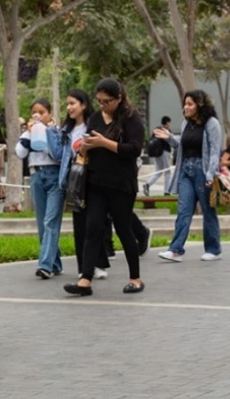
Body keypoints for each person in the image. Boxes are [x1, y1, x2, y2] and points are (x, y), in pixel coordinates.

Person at [64, 77, 145, 296]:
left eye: (107, 101)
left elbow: (134, 149)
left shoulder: (131, 118)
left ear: (119, 98)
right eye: (99, 101)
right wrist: (85, 147)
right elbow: (87, 146)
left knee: (123, 229)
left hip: (121, 184)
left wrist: (104, 143)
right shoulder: (94, 118)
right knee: (92, 228)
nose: (102, 105)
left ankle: (135, 278)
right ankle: (85, 279)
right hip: (95, 182)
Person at [47, 88, 109, 279]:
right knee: (79, 223)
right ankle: (84, 267)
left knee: (94, 222)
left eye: (73, 103)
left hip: (94, 177)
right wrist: (51, 132)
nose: (69, 107)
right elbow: (57, 155)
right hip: (74, 180)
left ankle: (99, 263)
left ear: (83, 105)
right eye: (67, 104)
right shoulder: (66, 130)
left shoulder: (94, 124)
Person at [157, 89, 223, 262]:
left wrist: (210, 174)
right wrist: (170, 138)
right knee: (184, 210)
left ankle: (213, 249)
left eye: (189, 104)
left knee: (208, 210)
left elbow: (215, 151)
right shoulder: (186, 124)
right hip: (186, 169)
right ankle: (176, 249)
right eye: (185, 104)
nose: (185, 107)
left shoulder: (211, 123)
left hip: (203, 169)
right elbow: (183, 144)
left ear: (200, 105)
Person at [15, 97, 64, 279]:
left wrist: (47, 132)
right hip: (36, 176)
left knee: (50, 221)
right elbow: (19, 152)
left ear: (49, 113)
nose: (38, 116)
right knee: (42, 223)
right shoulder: (29, 131)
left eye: (42, 112)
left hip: (53, 176)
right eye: (35, 113)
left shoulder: (56, 131)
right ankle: (55, 263)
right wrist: (28, 133)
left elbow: (57, 154)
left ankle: (44, 265)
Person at [143, 115, 173, 195]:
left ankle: (147, 184)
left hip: (156, 154)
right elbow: (170, 141)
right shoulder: (166, 130)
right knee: (167, 172)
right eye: (169, 122)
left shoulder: (155, 130)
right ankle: (167, 191)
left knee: (158, 172)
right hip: (165, 152)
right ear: (167, 122)